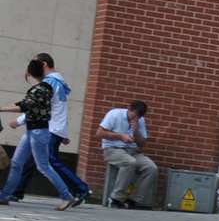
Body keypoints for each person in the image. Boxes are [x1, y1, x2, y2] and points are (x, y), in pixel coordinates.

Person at [1, 52, 90, 204]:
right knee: (26, 162)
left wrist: (19, 119)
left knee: (46, 164)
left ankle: (76, 190)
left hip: (46, 128)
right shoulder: (57, 82)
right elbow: (57, 108)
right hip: (47, 128)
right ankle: (10, 193)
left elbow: (34, 106)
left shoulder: (49, 84)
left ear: (43, 65)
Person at [96, 100, 158, 209]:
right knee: (130, 162)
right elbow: (99, 133)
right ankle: (115, 198)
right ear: (129, 109)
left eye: (139, 116)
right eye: (134, 114)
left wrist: (136, 131)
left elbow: (143, 144)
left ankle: (134, 200)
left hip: (132, 151)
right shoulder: (114, 114)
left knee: (151, 168)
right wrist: (121, 136)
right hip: (112, 149)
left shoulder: (140, 121)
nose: (136, 118)